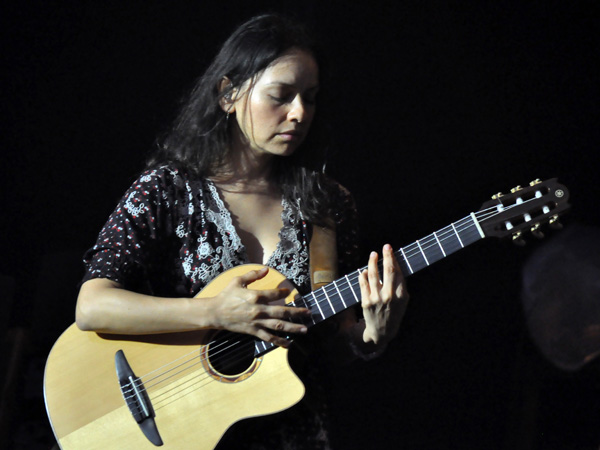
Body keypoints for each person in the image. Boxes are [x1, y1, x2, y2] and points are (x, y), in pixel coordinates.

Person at [75, 13, 409, 449]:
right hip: (184, 426)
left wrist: (372, 336)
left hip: (295, 435)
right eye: (281, 95)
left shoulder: (328, 205)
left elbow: (330, 347)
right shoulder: (168, 190)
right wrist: (215, 312)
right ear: (229, 94)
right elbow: (92, 305)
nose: (299, 113)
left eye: (310, 97)